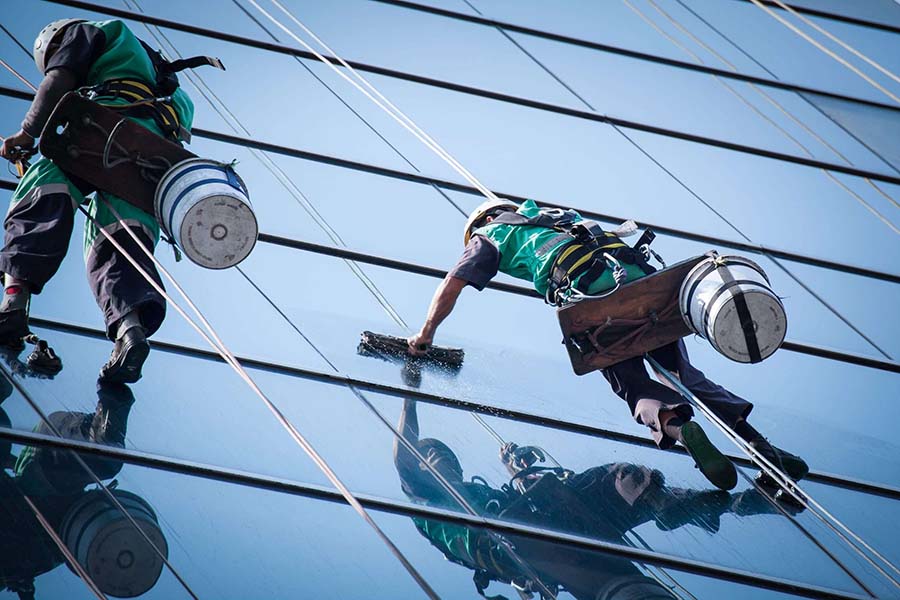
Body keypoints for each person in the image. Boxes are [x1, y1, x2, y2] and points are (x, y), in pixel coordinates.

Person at [407, 199, 807, 491]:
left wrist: (426, 334)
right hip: (645, 286)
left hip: (594, 301)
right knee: (685, 376)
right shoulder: (558, 218)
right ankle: (762, 446)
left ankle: (679, 429)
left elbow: (452, 284)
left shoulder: (492, 233)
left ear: (484, 220)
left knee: (634, 386)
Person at [394, 399, 794, 600]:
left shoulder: (476, 491)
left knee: (626, 476)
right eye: (430, 457)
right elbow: (402, 454)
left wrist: (516, 472)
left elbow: (520, 499)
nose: (440, 462)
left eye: (446, 456)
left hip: (545, 521)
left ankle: (724, 504)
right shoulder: (425, 502)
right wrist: (409, 386)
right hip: (518, 545)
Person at [0, 18, 196, 383]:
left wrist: (27, 133)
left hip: (99, 130)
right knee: (117, 242)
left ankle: (13, 300)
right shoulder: (171, 88)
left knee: (41, 191)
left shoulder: (91, 31)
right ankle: (129, 332)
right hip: (151, 162)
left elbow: (59, 80)